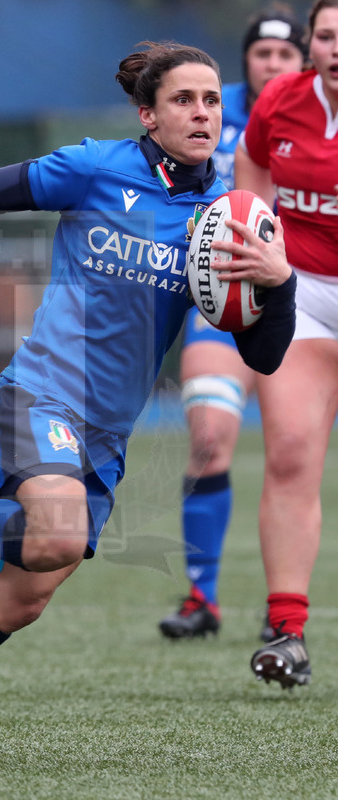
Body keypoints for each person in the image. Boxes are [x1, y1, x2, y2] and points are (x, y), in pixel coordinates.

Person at [0, 41, 295, 764]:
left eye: (209, 101)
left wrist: (280, 283)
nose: (201, 113)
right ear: (147, 113)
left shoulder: (226, 218)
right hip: (40, 393)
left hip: (105, 437)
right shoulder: (97, 168)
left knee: (23, 600)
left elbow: (261, 357)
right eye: (182, 101)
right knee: (60, 537)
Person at [158, 6, 306, 640]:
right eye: (262, 54)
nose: (272, 64)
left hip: (301, 303)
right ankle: (201, 598)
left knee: (294, 454)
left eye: (285, 55)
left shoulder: (315, 114)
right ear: (246, 58)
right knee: (210, 437)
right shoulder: (209, 110)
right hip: (220, 303)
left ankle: (284, 607)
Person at [233, 0, 338, 689]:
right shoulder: (281, 98)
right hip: (302, 294)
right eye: (327, 36)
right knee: (292, 451)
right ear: (310, 45)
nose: (337, 47)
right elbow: (249, 163)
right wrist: (251, 236)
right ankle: (286, 633)